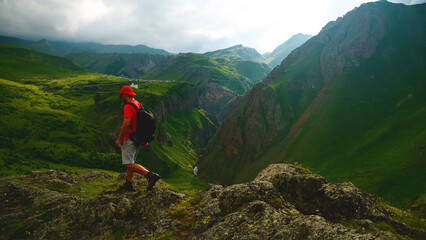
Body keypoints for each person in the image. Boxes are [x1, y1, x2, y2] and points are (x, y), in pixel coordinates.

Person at [115, 85, 160, 191]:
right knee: (131, 162)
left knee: (127, 164)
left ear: (125, 95)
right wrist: (145, 139)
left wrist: (119, 139)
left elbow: (126, 124)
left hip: (130, 138)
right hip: (138, 138)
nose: (121, 99)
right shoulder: (138, 104)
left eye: (121, 96)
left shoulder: (128, 106)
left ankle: (150, 175)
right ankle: (128, 184)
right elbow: (144, 122)